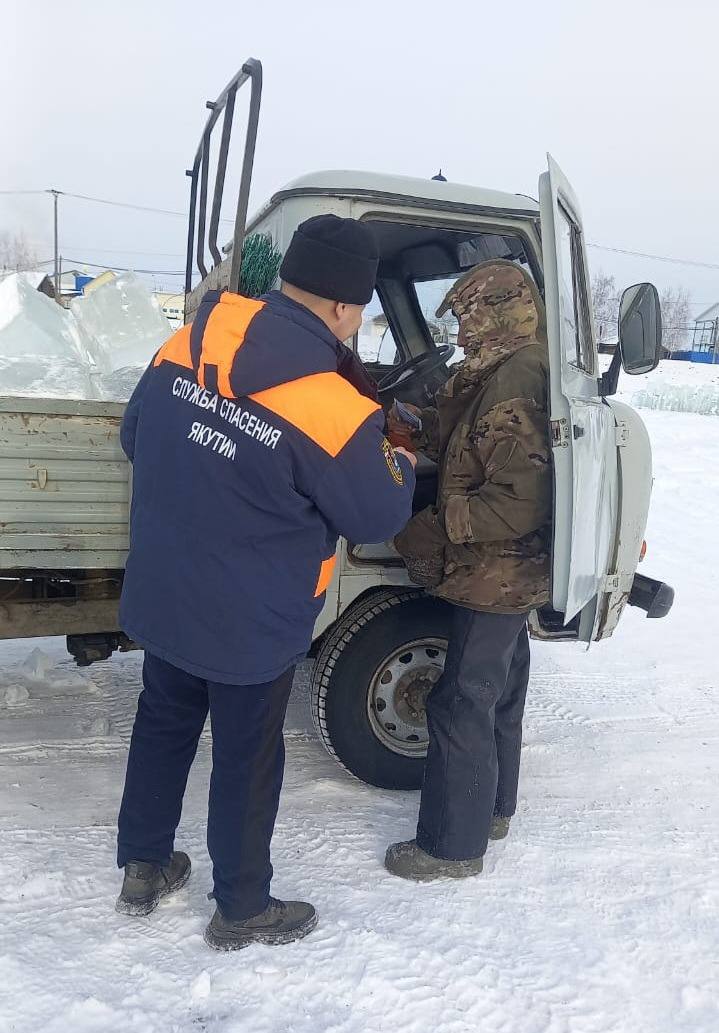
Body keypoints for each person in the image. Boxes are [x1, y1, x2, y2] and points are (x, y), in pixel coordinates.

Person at [115, 215, 417, 949]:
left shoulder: (188, 342)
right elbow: (378, 511)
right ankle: (242, 905)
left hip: (167, 588)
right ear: (344, 306)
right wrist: (399, 455)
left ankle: (144, 866)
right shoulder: (333, 406)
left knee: (162, 724)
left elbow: (134, 435)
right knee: (247, 758)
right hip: (251, 619)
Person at [384, 259, 551, 881]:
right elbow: (472, 443)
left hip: (497, 573)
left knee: (461, 704)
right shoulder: (504, 369)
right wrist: (419, 425)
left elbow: (516, 501)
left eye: (470, 317)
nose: (460, 333)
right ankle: (494, 808)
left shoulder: (515, 379)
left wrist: (430, 527)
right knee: (497, 694)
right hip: (507, 573)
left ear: (503, 312)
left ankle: (452, 847)